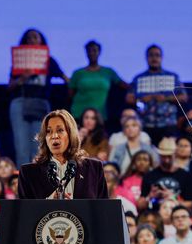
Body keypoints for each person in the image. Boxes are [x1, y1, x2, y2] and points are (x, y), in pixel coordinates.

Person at [18, 110, 109, 200]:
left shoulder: (94, 169)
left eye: (60, 130)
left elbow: (103, 210)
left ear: (71, 134)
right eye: (48, 131)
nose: (54, 136)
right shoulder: (29, 173)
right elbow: (25, 212)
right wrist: (48, 201)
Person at [8, 29, 68, 165]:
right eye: (29, 38)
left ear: (41, 41)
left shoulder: (48, 60)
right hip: (20, 102)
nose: (32, 40)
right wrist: (22, 78)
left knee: (39, 145)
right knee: (21, 146)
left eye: (35, 37)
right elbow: (10, 86)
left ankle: (38, 180)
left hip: (40, 103)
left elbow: (65, 78)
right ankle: (22, 181)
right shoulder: (19, 61)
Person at [126, 44, 187, 144]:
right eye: (151, 55)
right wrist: (141, 99)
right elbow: (129, 98)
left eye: (157, 55)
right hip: (145, 125)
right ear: (146, 58)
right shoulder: (138, 78)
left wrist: (166, 98)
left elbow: (183, 97)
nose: (154, 58)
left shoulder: (172, 77)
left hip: (168, 125)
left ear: (162, 57)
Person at [69, 40, 126, 121]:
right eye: (89, 51)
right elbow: (70, 94)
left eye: (94, 50)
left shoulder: (108, 72)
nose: (92, 53)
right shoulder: (78, 73)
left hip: (100, 114)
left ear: (99, 52)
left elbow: (123, 84)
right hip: (79, 114)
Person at [140, 138, 192, 210]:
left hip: (177, 214)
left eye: (169, 156)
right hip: (155, 215)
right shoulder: (150, 175)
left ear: (175, 154)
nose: (166, 160)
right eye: (163, 157)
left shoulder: (185, 176)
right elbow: (140, 205)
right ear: (159, 155)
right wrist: (150, 196)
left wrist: (173, 198)